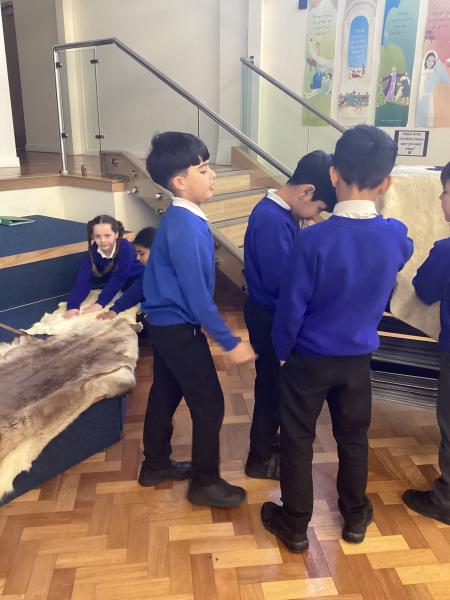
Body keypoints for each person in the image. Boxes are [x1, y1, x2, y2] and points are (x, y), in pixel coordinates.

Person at [262, 125, 413, 552]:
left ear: (333, 174)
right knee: (353, 438)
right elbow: (403, 249)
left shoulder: (312, 240)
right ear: (386, 182)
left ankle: (295, 524)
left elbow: (291, 306)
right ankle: (355, 516)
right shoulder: (394, 235)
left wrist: (283, 351)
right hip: (357, 362)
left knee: (297, 439)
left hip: (308, 359)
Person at [140, 132, 255, 508]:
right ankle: (205, 483)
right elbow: (198, 298)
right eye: (203, 169)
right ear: (179, 181)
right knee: (210, 405)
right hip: (177, 327)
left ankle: (156, 465)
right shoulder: (187, 227)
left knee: (165, 392)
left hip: (165, 324)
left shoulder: (181, 218)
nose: (213, 175)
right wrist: (231, 341)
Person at [243, 151, 337, 481]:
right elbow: (281, 281)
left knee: (276, 386)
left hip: (273, 313)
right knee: (271, 387)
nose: (316, 216)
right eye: (318, 208)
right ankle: (258, 458)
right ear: (306, 192)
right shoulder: (272, 220)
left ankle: (268, 444)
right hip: (269, 316)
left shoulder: (281, 214)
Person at [403, 162, 450, 525]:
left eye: (445, 192)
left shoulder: (446, 251)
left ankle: (445, 500)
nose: (440, 200)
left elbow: (424, 288)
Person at [64, 215, 144, 318]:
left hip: (140, 284)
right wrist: (73, 306)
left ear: (116, 234)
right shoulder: (92, 253)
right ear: (92, 236)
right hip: (122, 289)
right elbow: (83, 280)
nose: (102, 240)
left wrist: (100, 303)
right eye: (98, 236)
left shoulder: (125, 246)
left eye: (107, 235)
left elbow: (119, 277)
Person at [97, 226, 157, 320]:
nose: (137, 258)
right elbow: (137, 289)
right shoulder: (150, 271)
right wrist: (116, 309)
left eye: (141, 254)